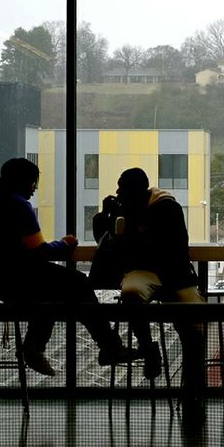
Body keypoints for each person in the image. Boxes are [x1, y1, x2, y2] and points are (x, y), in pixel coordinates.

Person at [0, 158, 139, 376]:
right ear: (24, 181)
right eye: (33, 183)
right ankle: (104, 347)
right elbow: (41, 251)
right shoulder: (18, 205)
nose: (34, 189)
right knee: (77, 283)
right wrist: (66, 244)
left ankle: (38, 349)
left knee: (50, 292)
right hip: (14, 277)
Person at [92, 167, 206, 418]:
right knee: (192, 322)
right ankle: (193, 390)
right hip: (174, 275)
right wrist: (109, 217)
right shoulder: (150, 207)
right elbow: (109, 241)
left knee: (134, 294)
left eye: (122, 187)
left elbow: (112, 247)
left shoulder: (165, 208)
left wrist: (119, 228)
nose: (118, 192)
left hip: (160, 271)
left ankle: (153, 352)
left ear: (135, 189)